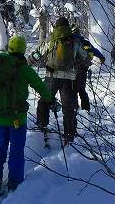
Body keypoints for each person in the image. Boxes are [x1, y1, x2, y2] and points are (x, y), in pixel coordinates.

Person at [0, 34, 53, 201]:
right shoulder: (24, 69)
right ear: (23, 50)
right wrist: (49, 99)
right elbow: (41, 87)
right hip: (17, 119)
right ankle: (14, 183)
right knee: (16, 150)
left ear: (10, 49)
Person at [33, 16, 89, 145]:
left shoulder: (51, 39)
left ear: (56, 27)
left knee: (44, 100)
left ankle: (42, 125)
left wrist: (27, 62)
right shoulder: (74, 40)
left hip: (51, 76)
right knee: (69, 107)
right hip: (69, 79)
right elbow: (85, 57)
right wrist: (80, 63)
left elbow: (37, 54)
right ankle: (69, 135)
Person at [71, 25, 106, 112]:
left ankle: (74, 109)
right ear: (79, 32)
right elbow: (94, 51)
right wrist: (101, 57)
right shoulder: (85, 42)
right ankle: (86, 108)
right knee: (82, 89)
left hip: (73, 70)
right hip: (84, 69)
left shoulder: (71, 42)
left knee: (73, 90)